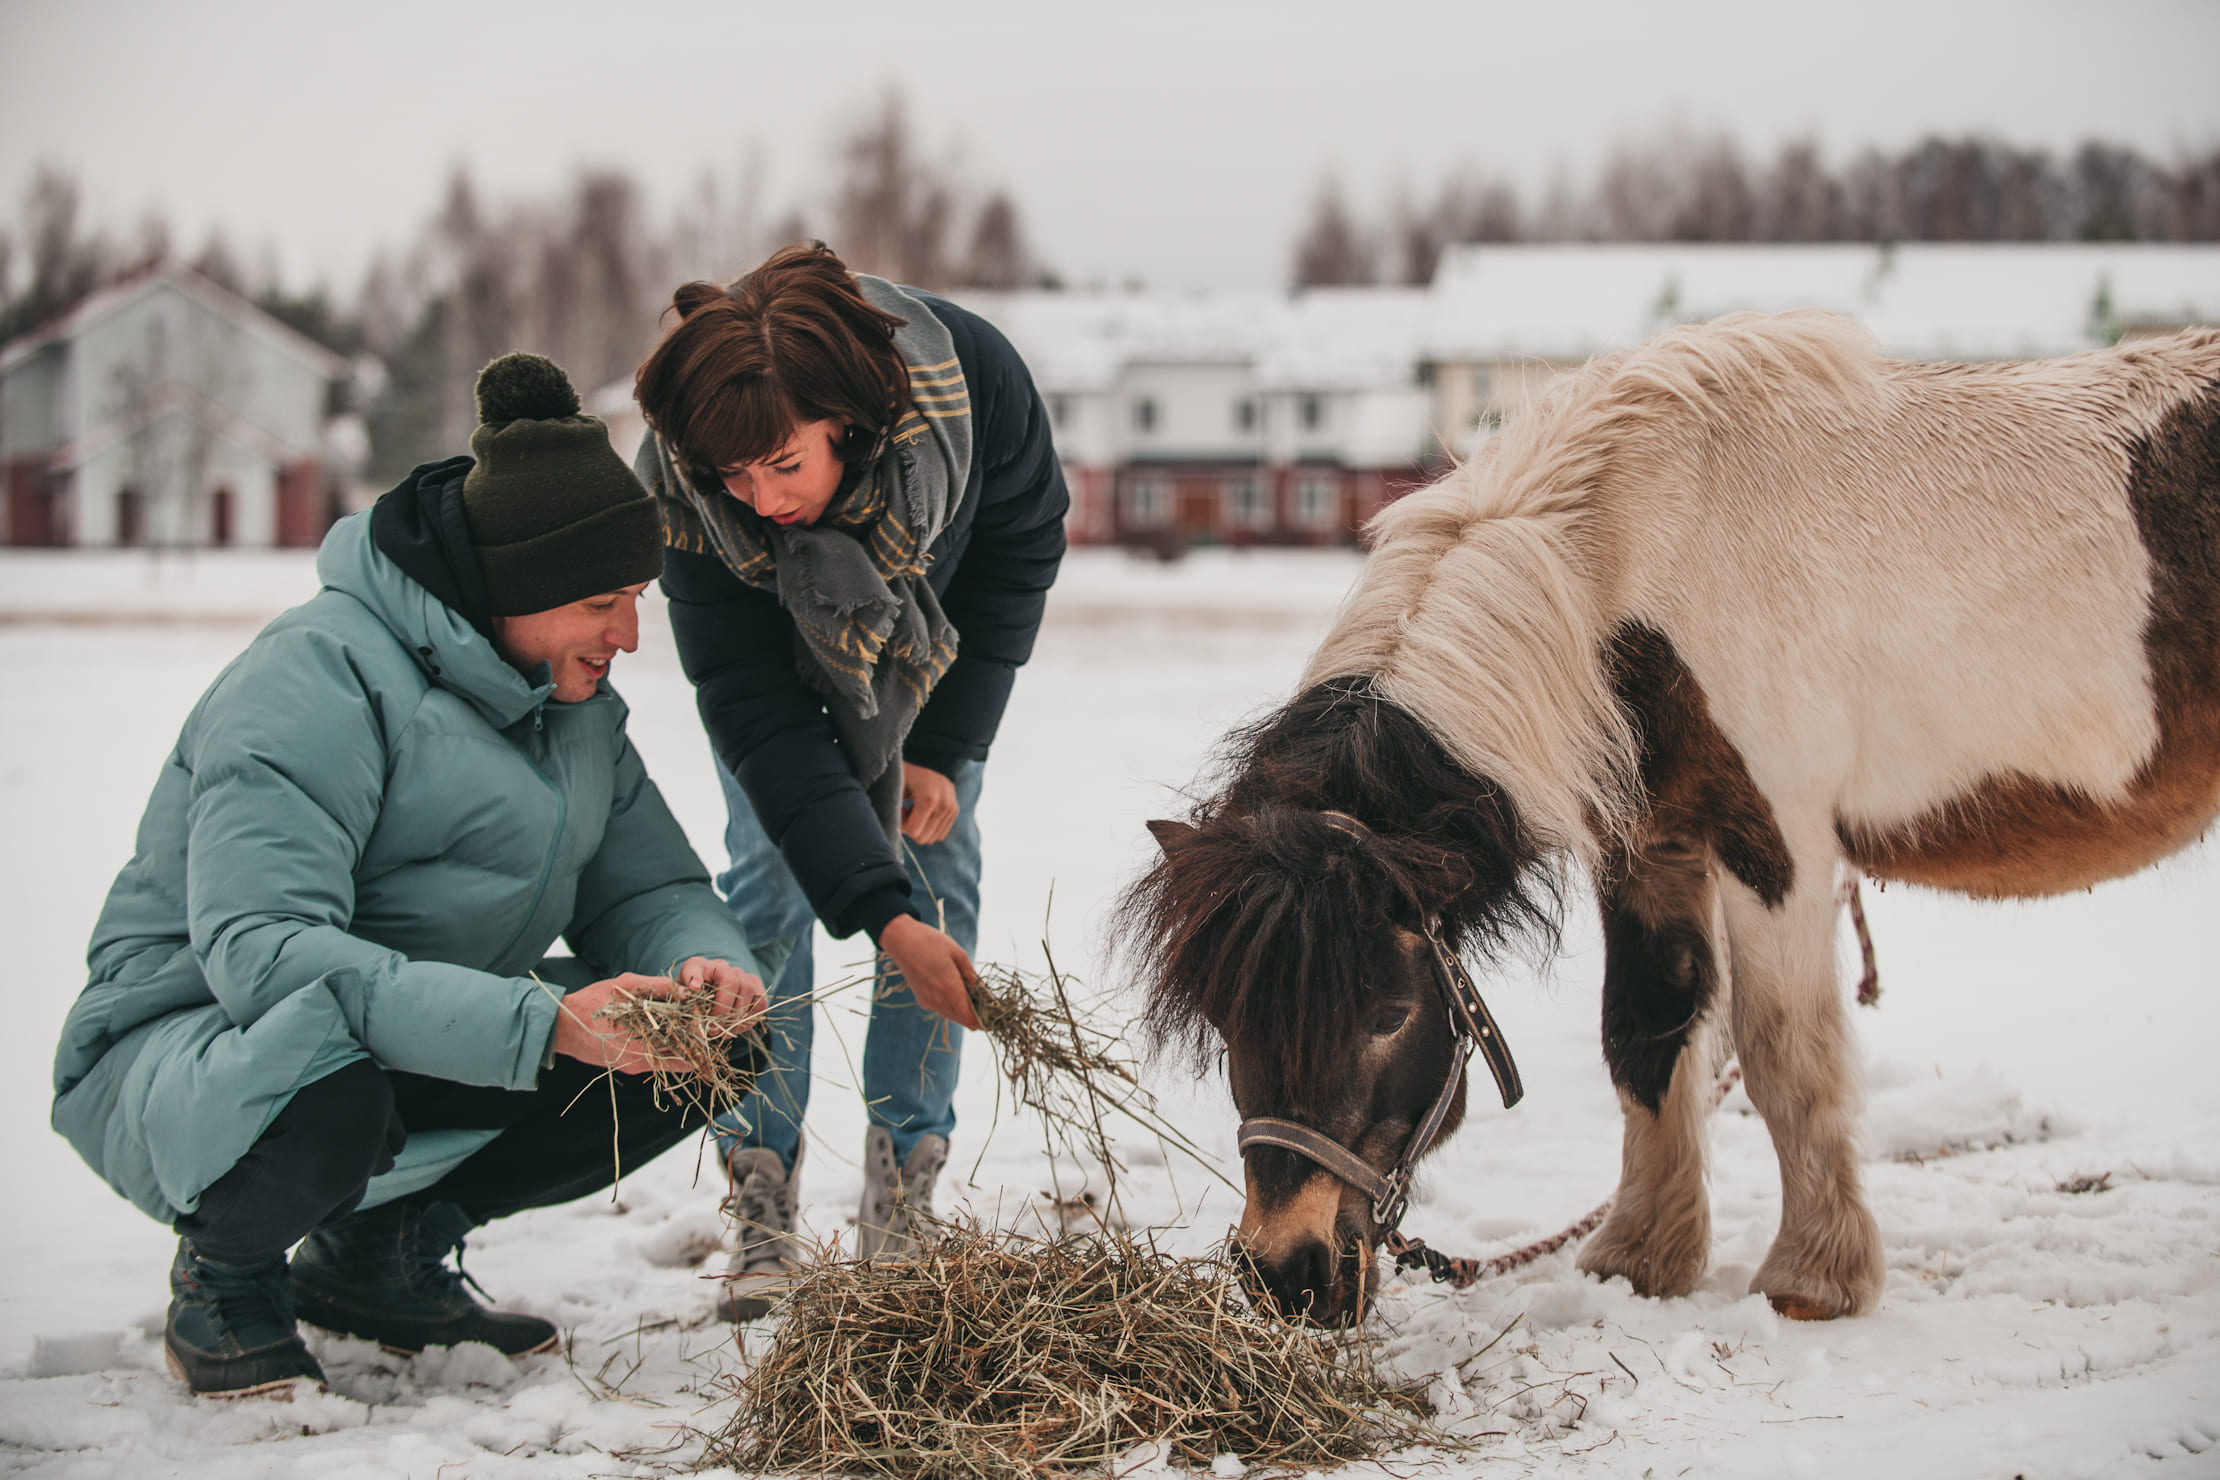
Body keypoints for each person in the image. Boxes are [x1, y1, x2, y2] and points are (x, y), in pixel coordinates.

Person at [49, 353, 768, 1401]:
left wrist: (707, 965)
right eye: (604, 599)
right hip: (194, 1042)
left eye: (638, 597)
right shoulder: (315, 677)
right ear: (514, 587)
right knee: (327, 1070)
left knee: (702, 1046)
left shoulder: (572, 709)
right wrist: (546, 1024)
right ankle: (226, 1275)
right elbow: (266, 954)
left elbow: (648, 887)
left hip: (392, 1025)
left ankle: (375, 1254)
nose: (629, 633)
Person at [632, 242, 1066, 1318]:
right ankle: (762, 1184)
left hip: (924, 657)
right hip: (780, 671)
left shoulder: (970, 390)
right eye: (732, 475)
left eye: (784, 464)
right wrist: (872, 908)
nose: (758, 495)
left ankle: (903, 1183)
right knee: (770, 885)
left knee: (937, 876)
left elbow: (1021, 548)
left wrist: (947, 744)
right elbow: (747, 699)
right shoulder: (692, 487)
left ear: (847, 420)